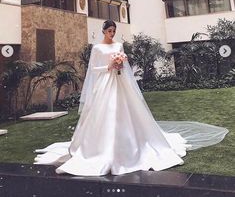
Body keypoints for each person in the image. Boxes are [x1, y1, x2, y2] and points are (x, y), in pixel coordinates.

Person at [34, 20, 228, 176]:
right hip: (105, 83)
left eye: (113, 30)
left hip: (120, 83)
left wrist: (120, 64)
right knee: (105, 113)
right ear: (103, 31)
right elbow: (93, 69)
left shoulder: (119, 45)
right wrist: (109, 66)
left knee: (128, 111)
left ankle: (134, 145)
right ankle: (100, 150)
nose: (112, 34)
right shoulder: (97, 49)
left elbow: (124, 64)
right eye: (109, 31)